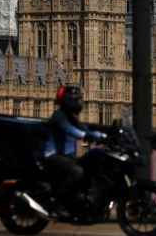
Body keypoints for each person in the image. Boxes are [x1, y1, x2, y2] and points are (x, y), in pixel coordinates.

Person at [44, 85, 106, 217]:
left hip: (68, 155)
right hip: (54, 155)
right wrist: (85, 136)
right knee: (77, 171)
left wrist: (104, 135)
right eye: (76, 100)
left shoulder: (70, 117)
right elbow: (69, 129)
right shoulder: (59, 116)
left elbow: (84, 128)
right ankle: (57, 201)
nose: (79, 103)